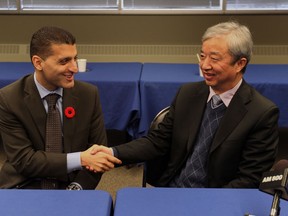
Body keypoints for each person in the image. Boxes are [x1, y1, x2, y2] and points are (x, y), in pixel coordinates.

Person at [92, 21, 279, 188]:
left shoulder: (261, 113)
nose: (204, 65)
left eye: (214, 59)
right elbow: (156, 142)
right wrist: (111, 151)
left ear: (240, 64)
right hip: (173, 188)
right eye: (202, 56)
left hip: (217, 198)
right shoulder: (188, 94)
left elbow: (249, 179)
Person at [0, 26, 121, 189]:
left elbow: (97, 155)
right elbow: (24, 160)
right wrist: (80, 159)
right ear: (38, 62)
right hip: (24, 184)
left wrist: (76, 188)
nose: (75, 68)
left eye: (75, 59)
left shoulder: (88, 95)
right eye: (64, 61)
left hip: (72, 184)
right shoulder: (9, 98)